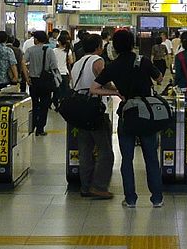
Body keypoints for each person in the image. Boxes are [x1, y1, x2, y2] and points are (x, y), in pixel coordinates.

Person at [90, 29, 165, 208]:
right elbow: (160, 78)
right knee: (151, 158)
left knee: (127, 159)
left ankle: (130, 199)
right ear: (133, 43)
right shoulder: (143, 61)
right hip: (147, 114)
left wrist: (116, 91)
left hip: (127, 114)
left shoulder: (113, 66)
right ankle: (156, 199)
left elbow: (94, 88)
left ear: (114, 46)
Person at [70, 35, 113, 200]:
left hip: (80, 110)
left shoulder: (77, 63)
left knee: (85, 150)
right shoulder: (97, 60)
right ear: (98, 47)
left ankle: (86, 186)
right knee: (106, 151)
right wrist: (116, 90)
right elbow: (105, 81)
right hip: (95, 110)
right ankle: (100, 186)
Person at [25, 30, 60, 135]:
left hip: (33, 81)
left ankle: (33, 125)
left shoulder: (30, 50)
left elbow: (23, 62)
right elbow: (54, 66)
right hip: (45, 81)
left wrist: (27, 77)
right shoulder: (49, 51)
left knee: (35, 104)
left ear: (36, 39)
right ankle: (40, 128)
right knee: (44, 105)